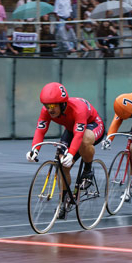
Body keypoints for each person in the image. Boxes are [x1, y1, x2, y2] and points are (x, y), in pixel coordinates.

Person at [26, 83, 105, 217]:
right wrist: (35, 149)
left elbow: (79, 135)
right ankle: (64, 200)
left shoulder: (78, 109)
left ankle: (87, 170)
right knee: (62, 164)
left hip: (92, 125)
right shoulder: (46, 111)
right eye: (46, 106)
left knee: (84, 141)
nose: (49, 109)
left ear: (62, 104)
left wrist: (72, 153)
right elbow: (40, 130)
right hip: (71, 129)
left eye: (52, 106)